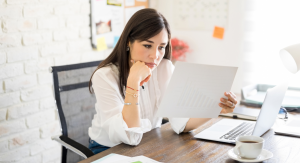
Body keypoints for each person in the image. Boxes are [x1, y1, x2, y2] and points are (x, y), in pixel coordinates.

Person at [88, 8, 237, 154]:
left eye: (161, 47)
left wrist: (216, 109)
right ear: (128, 42)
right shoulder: (104, 76)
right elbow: (130, 137)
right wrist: (133, 82)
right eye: (147, 45)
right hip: (109, 150)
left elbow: (181, 123)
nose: (155, 56)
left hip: (148, 145)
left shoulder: (164, 68)